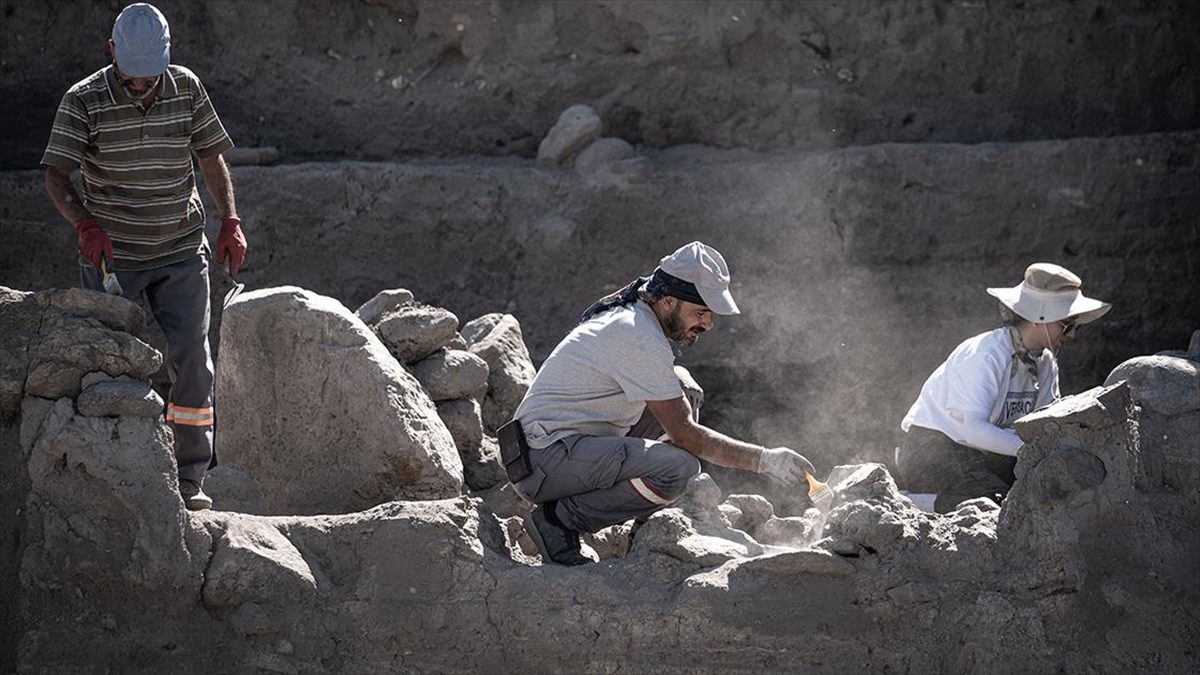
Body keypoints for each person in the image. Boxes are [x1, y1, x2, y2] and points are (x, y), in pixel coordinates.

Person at [41, 3, 246, 511]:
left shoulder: (186, 88)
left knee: (193, 360)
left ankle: (190, 478)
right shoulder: (83, 101)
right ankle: (111, 475)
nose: (140, 84)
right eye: (130, 75)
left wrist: (230, 219)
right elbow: (56, 175)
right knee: (106, 365)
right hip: (114, 257)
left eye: (148, 75)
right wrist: (84, 224)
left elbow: (210, 156)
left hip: (180, 248)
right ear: (112, 52)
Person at [505, 241, 817, 565]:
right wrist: (765, 460)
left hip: (555, 449)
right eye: (700, 312)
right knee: (678, 469)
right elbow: (685, 436)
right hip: (543, 463)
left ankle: (644, 526)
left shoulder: (638, 311)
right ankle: (558, 521)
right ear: (668, 301)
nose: (707, 324)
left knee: (683, 386)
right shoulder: (639, 336)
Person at [896, 263, 1111, 513]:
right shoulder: (987, 354)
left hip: (985, 453)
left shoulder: (1046, 363)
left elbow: (1044, 423)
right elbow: (974, 430)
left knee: (1042, 496)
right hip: (933, 448)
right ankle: (908, 503)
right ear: (1039, 318)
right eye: (1066, 325)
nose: (1072, 334)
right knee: (995, 505)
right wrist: (1035, 450)